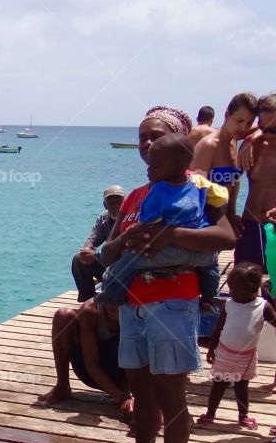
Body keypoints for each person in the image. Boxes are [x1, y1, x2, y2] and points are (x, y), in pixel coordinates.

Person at [96, 105, 235, 443]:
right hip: (133, 304)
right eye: (142, 137)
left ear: (178, 142)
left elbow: (225, 236)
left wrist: (172, 233)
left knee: (172, 399)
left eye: (156, 137)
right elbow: (107, 252)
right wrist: (127, 240)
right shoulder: (138, 197)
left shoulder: (200, 188)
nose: (147, 145)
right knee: (142, 393)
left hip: (174, 301)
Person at [96, 134, 227, 307]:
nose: (149, 170)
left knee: (130, 260)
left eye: (155, 166)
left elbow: (149, 218)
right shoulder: (199, 183)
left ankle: (113, 293)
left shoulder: (158, 190)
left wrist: (146, 230)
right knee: (211, 265)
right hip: (200, 250)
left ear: (179, 164)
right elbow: (221, 195)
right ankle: (210, 297)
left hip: (169, 256)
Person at [197, 262, 276, 430]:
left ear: (252, 290)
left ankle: (243, 416)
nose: (231, 293)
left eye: (235, 290)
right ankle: (210, 414)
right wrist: (211, 349)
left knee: (242, 387)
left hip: (247, 356)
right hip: (224, 353)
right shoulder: (229, 304)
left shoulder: (264, 307)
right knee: (219, 385)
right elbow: (218, 328)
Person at [34, 299, 132, 423]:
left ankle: (126, 388)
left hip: (127, 372)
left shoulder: (141, 312)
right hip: (90, 370)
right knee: (63, 315)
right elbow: (91, 365)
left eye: (118, 299)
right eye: (109, 297)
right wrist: (122, 398)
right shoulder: (90, 311)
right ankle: (62, 385)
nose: (111, 306)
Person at [191, 92, 258, 231]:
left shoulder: (233, 143)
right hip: (203, 226)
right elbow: (195, 192)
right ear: (227, 116)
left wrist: (253, 138)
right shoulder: (209, 146)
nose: (244, 127)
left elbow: (267, 124)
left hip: (223, 223)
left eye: (249, 123)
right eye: (239, 121)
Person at [232, 93, 276, 268]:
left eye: (274, 130)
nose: (268, 135)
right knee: (243, 288)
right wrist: (229, 212)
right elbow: (232, 180)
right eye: (263, 128)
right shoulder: (252, 146)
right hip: (250, 225)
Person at [71, 185, 125, 302]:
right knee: (78, 259)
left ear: (125, 202)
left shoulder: (130, 218)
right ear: (105, 205)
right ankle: (87, 299)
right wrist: (86, 251)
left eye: (119, 202)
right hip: (108, 264)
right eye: (111, 203)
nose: (116, 206)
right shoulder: (103, 218)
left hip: (125, 267)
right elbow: (92, 240)